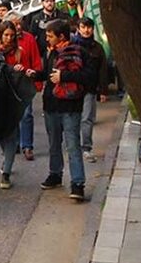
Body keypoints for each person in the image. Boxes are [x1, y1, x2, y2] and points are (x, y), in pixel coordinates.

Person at [26, 19, 93, 201]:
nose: (47, 39)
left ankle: (77, 183)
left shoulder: (79, 52)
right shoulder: (52, 52)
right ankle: (55, 174)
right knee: (54, 143)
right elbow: (49, 75)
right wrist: (35, 74)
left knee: (73, 145)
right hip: (51, 105)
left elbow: (88, 76)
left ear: (61, 36)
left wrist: (64, 76)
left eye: (50, 36)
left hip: (70, 106)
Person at [0, 21, 37, 189]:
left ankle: (6, 173)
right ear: (0, 35)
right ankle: (6, 158)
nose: (9, 39)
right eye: (6, 35)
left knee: (11, 134)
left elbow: (26, 72)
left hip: (13, 98)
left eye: (11, 35)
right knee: (0, 134)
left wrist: (23, 70)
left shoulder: (19, 52)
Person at [3, 11, 43, 162]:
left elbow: (36, 59)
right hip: (9, 83)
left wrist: (37, 80)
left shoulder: (29, 38)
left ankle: (27, 145)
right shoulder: (4, 40)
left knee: (26, 114)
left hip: (26, 82)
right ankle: (15, 142)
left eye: (20, 23)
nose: (18, 27)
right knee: (12, 114)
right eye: (15, 24)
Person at [73, 17, 109, 163]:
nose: (86, 30)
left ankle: (86, 148)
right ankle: (73, 146)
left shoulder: (97, 48)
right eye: (83, 27)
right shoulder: (72, 46)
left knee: (87, 118)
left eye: (89, 27)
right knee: (73, 118)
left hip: (90, 88)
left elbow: (103, 70)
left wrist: (103, 90)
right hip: (73, 87)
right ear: (78, 29)